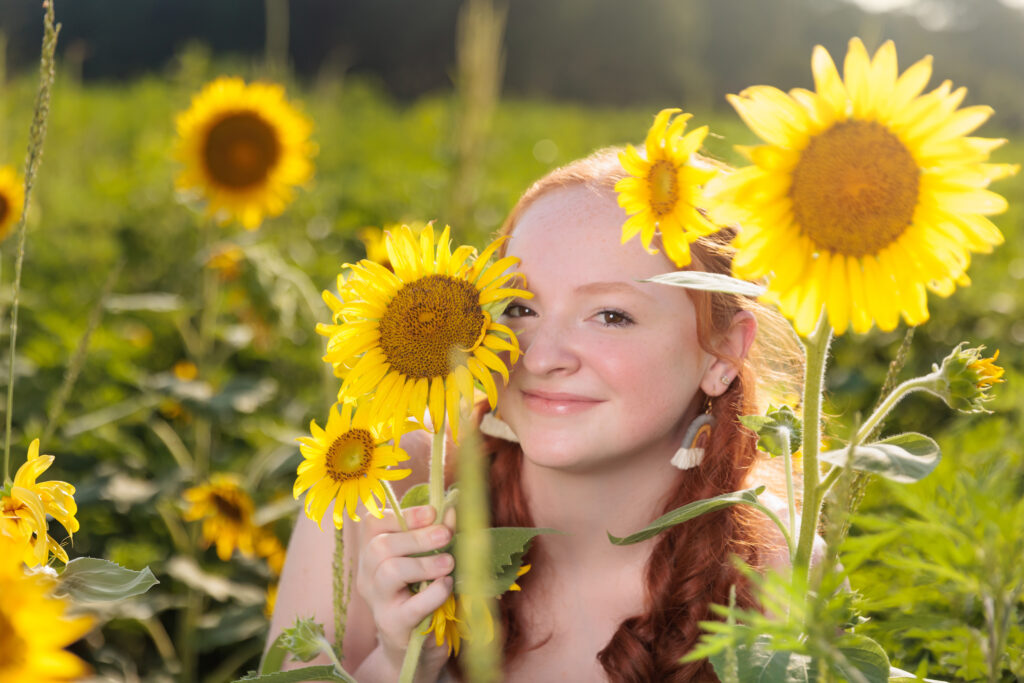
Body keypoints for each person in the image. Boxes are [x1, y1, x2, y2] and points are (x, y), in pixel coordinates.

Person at [269, 148, 803, 681]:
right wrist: (397, 662)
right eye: (520, 309)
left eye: (611, 316)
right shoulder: (374, 492)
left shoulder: (778, 575)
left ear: (720, 353)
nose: (541, 357)